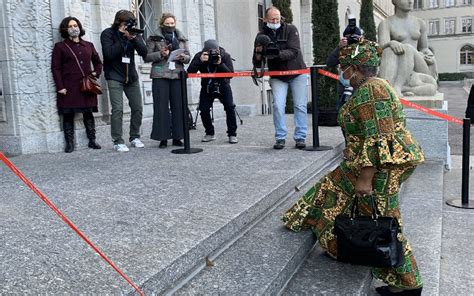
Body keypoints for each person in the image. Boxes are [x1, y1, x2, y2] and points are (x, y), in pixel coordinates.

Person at [282, 39, 425, 296]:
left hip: (381, 167)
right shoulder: (370, 88)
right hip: (368, 162)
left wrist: (365, 178)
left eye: (343, 67)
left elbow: (378, 138)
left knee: (386, 219)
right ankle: (332, 238)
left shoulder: (373, 91)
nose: (340, 72)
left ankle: (408, 283)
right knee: (333, 187)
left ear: (355, 69)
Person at [253, 7, 308, 150]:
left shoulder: (290, 29)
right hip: (277, 74)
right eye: (272, 19)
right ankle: (280, 137)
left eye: (277, 18)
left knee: (300, 105)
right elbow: (257, 61)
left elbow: (294, 51)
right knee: (278, 105)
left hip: (297, 72)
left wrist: (276, 54)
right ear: (265, 20)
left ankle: (300, 137)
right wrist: (259, 54)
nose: (275, 21)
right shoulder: (261, 35)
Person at [52, 16, 103, 153]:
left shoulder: (89, 45)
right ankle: (70, 144)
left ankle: (92, 140)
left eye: (75, 25)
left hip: (87, 85)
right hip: (69, 86)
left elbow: (98, 62)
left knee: (88, 113)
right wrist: (60, 86)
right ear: (65, 29)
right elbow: (55, 68)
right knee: (68, 115)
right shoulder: (60, 47)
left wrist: (95, 73)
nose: (73, 28)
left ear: (79, 27)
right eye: (70, 26)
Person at [100, 10, 148, 152]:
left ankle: (134, 137)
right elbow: (109, 54)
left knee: (138, 107)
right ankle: (118, 140)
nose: (128, 26)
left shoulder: (133, 34)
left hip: (131, 76)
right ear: (118, 22)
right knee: (118, 109)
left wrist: (133, 38)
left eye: (131, 23)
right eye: (126, 23)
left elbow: (144, 52)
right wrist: (122, 39)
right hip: (114, 75)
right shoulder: (107, 33)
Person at [144, 13, 191, 148]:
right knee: (161, 107)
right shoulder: (153, 38)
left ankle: (178, 137)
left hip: (177, 74)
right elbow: (146, 56)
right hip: (160, 74)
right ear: (162, 24)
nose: (170, 26)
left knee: (178, 106)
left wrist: (183, 57)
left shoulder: (181, 38)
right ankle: (162, 138)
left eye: (172, 23)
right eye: (167, 24)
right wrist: (161, 54)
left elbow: (188, 57)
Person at [378, 0, 438, 97]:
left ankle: (396, 87)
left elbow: (424, 48)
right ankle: (403, 89)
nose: (410, 1)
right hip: (397, 67)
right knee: (431, 89)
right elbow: (381, 46)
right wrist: (391, 43)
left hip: (417, 65)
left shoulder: (419, 23)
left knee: (408, 48)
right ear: (395, 1)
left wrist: (430, 57)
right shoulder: (386, 23)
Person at [187, 39, 238, 144]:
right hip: (207, 86)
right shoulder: (199, 56)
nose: (212, 53)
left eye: (215, 50)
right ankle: (210, 132)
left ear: (218, 49)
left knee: (229, 107)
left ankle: (232, 134)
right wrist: (200, 61)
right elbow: (190, 72)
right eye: (209, 51)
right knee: (204, 109)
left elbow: (231, 74)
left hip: (223, 85)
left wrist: (220, 64)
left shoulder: (225, 56)